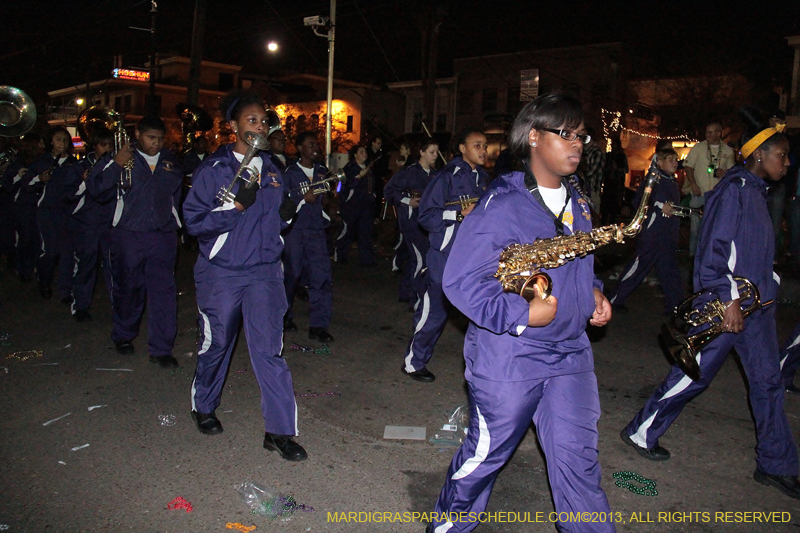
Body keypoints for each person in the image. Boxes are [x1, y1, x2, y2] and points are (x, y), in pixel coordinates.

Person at [427, 93, 614, 533]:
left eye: (581, 135)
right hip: (510, 356)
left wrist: (592, 292)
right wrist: (520, 314)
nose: (576, 143)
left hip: (570, 354)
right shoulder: (502, 205)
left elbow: (578, 264)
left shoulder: (579, 202)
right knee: (483, 460)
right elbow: (460, 281)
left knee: (580, 467)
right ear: (533, 137)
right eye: (564, 133)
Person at [620, 109, 800, 499]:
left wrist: (770, 281)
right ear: (758, 156)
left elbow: (749, 250)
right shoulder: (732, 190)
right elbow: (711, 252)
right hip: (727, 308)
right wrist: (728, 298)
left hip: (758, 309)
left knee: (768, 384)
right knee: (692, 375)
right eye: (781, 155)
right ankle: (640, 431)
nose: (787, 162)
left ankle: (775, 463)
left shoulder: (755, 191)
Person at [183, 92, 305, 461]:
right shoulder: (213, 169)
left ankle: (279, 431)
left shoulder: (272, 169)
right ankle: (204, 406)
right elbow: (194, 223)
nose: (260, 126)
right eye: (252, 121)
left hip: (265, 272)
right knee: (217, 344)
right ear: (233, 126)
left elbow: (275, 223)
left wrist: (288, 210)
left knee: (269, 351)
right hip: (222, 272)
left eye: (264, 122)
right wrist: (235, 206)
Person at [86, 115, 182, 368]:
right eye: (151, 138)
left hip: (162, 236)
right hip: (128, 234)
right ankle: (124, 335)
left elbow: (176, 198)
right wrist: (117, 164)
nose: (156, 144)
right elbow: (95, 188)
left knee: (164, 293)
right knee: (128, 288)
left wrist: (176, 227)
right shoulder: (119, 157)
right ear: (138, 134)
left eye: (161, 139)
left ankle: (161, 349)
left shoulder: (170, 161)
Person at [401, 129, 489, 383]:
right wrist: (459, 215)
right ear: (462, 148)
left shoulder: (484, 179)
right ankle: (414, 362)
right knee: (435, 312)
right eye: (477, 145)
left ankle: (484, 368)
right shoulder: (446, 177)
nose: (482, 150)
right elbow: (427, 216)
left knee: (482, 313)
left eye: (484, 145)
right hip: (446, 256)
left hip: (474, 258)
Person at [609, 148, 684, 315]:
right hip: (653, 234)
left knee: (669, 271)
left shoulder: (672, 181)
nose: (674, 162)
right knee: (637, 268)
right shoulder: (654, 179)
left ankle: (676, 306)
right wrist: (659, 206)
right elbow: (639, 201)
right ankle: (614, 299)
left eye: (675, 159)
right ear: (660, 162)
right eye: (669, 159)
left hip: (668, 235)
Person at [282, 131, 335, 343]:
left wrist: (332, 192)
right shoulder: (289, 173)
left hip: (316, 231)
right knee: (292, 275)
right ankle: (284, 316)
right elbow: (282, 204)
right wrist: (303, 199)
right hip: (295, 230)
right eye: (310, 144)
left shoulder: (322, 171)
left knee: (321, 277)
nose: (315, 148)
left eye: (317, 145)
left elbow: (333, 192)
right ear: (299, 148)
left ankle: (318, 326)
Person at [66, 127, 115, 321]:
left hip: (110, 222)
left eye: (111, 145)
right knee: (86, 265)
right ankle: (80, 306)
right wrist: (85, 182)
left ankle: (117, 306)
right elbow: (68, 196)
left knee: (113, 265)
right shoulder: (79, 167)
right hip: (87, 223)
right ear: (94, 146)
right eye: (104, 145)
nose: (108, 149)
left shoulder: (115, 165)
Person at [384, 138, 439, 310]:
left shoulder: (435, 175)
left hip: (427, 222)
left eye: (437, 152)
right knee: (421, 258)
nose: (435, 156)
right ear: (422, 152)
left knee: (416, 257)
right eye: (431, 152)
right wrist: (407, 200)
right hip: (411, 221)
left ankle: (405, 291)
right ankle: (416, 299)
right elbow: (389, 190)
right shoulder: (409, 172)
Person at [24, 126, 78, 301]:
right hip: (47, 212)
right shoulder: (42, 162)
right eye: (58, 139)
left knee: (67, 252)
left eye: (65, 139)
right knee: (50, 251)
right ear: (51, 142)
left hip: (67, 212)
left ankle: (65, 290)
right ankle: (44, 280)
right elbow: (26, 185)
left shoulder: (73, 163)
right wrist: (39, 179)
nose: (62, 143)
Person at [683, 122, 735, 256]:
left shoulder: (728, 151)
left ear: (719, 133)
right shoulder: (698, 148)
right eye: (707, 132)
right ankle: (693, 257)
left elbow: (731, 172)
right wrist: (693, 184)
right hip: (699, 193)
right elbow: (688, 167)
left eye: (712, 132)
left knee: (715, 227)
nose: (709, 135)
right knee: (696, 229)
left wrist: (724, 173)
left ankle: (711, 256)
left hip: (717, 195)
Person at [1, 134, 43, 282]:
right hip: (22, 207)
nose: (42, 146)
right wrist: (18, 177)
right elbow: (6, 185)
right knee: (25, 239)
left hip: (38, 206)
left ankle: (36, 269)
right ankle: (23, 269)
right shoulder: (17, 164)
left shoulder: (42, 162)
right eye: (39, 143)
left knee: (38, 240)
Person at [334, 145, 377, 266]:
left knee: (366, 232)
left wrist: (372, 197)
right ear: (355, 155)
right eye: (361, 152)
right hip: (352, 205)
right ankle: (340, 256)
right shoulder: (350, 168)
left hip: (366, 205)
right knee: (348, 230)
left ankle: (367, 259)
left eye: (365, 152)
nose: (364, 154)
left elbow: (372, 185)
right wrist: (359, 177)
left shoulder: (369, 169)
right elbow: (346, 185)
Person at [179, 135, 209, 249]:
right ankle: (186, 240)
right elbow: (184, 172)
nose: (204, 146)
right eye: (202, 143)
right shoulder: (188, 157)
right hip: (189, 189)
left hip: (204, 190)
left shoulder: (209, 157)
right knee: (189, 214)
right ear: (196, 144)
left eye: (205, 143)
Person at [599, 137, 627, 225]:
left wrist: (617, 169)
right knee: (605, 209)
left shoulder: (622, 156)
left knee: (614, 210)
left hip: (617, 185)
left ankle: (612, 226)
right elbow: (603, 169)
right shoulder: (608, 155)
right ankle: (603, 224)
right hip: (608, 184)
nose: (613, 147)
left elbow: (625, 170)